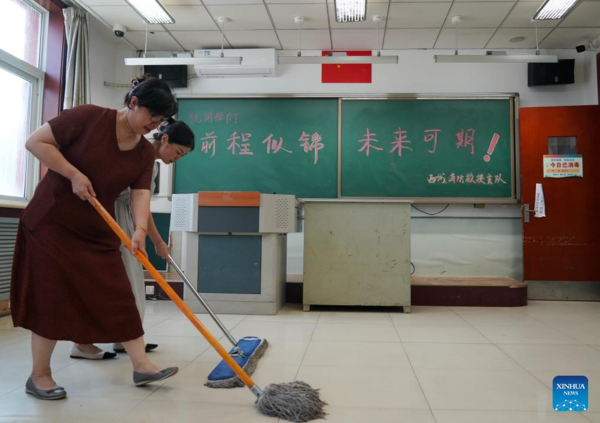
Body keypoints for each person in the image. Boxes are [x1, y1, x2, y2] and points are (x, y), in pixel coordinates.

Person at [11, 76, 180, 400]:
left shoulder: (144, 153)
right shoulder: (87, 117)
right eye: (152, 117)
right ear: (133, 103)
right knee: (52, 298)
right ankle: (39, 376)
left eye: (160, 122)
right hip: (51, 224)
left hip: (95, 231)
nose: (154, 126)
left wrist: (141, 230)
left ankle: (141, 365)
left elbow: (140, 194)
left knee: (118, 293)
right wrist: (73, 173)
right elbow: (35, 142)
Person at [71, 118, 195, 359]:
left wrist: (156, 241)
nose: (178, 158)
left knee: (131, 281)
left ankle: (125, 337)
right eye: (178, 152)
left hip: (126, 219)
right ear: (165, 139)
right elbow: (142, 206)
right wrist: (157, 241)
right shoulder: (138, 152)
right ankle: (83, 342)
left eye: (183, 156)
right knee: (107, 281)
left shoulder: (153, 163)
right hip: (106, 217)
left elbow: (142, 205)